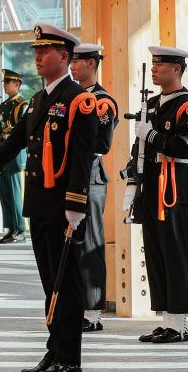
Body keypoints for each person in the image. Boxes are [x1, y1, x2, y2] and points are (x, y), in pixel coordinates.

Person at [0, 24, 98, 372]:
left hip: (64, 207)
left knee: (66, 283)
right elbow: (15, 142)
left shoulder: (80, 100)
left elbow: (83, 156)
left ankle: (69, 357)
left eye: (45, 51)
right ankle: (54, 349)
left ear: (65, 57)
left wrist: (76, 205)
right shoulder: (39, 100)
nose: (37, 57)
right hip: (39, 204)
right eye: (36, 51)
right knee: (49, 281)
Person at [124, 46, 188, 345]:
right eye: (153, 64)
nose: (154, 69)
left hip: (175, 190)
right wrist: (131, 178)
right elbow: (139, 149)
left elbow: (183, 145)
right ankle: (168, 321)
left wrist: (152, 135)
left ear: (177, 69)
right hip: (150, 188)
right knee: (156, 254)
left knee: (176, 254)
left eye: (160, 65)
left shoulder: (185, 105)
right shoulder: (150, 104)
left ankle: (181, 322)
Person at [70, 44, 118, 332]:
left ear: (91, 63)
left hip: (90, 176)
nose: (72, 66)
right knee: (72, 244)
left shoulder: (102, 101)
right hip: (70, 176)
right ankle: (77, 306)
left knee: (90, 243)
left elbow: (103, 143)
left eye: (77, 61)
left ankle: (93, 313)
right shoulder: (73, 96)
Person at [0, 70, 29, 244]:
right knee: (5, 192)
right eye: (4, 82)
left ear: (17, 84)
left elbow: (20, 130)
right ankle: (10, 228)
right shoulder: (4, 105)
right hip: (2, 152)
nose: (5, 85)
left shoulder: (22, 105)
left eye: (8, 82)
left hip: (14, 154)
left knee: (14, 192)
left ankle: (19, 229)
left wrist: (1, 124)